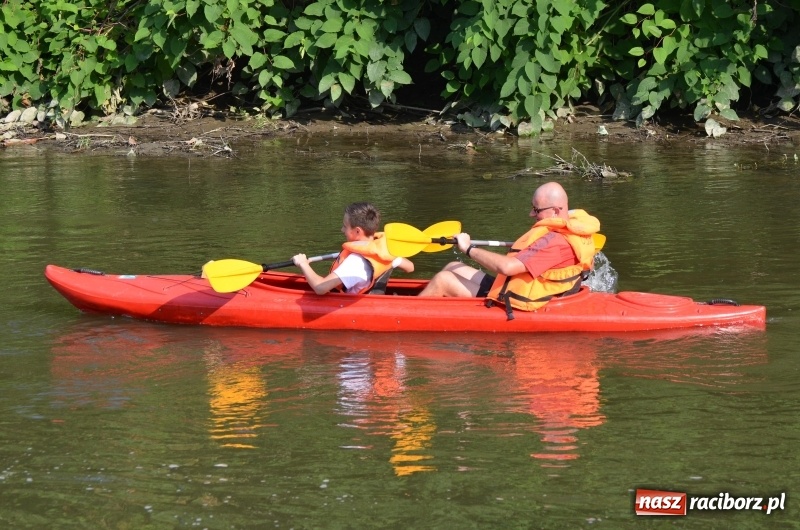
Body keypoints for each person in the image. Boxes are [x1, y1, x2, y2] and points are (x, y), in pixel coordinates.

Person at [418, 182, 599, 318]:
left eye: (536, 210)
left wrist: (469, 248)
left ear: (555, 211)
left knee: (443, 280)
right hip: (519, 287)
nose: (531, 214)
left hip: (524, 302)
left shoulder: (557, 241)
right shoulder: (568, 226)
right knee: (453, 267)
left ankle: (404, 316)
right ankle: (441, 310)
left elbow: (508, 268)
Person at [293, 202, 414, 295]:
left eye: (345, 226)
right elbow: (410, 267)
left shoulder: (356, 262)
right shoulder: (385, 251)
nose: (342, 230)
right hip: (372, 302)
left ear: (357, 231)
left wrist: (304, 264)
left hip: (350, 308)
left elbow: (320, 288)